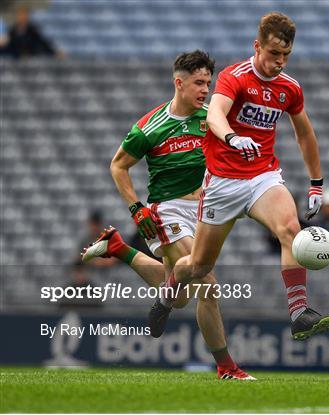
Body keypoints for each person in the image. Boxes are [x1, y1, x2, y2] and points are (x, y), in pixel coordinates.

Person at [149, 12, 329, 342]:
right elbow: (217, 113)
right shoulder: (235, 76)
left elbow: (305, 134)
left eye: (286, 56)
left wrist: (316, 183)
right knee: (199, 267)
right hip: (222, 182)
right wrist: (232, 137)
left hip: (262, 176)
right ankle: (166, 296)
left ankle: (299, 313)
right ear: (257, 46)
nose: (279, 62)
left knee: (291, 229)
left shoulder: (289, 89)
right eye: (273, 54)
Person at [82, 51, 253, 380]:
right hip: (166, 210)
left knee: (181, 296)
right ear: (179, 82)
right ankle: (226, 367)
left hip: (202, 211)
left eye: (209, 82)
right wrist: (136, 208)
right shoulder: (150, 127)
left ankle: (119, 249)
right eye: (199, 83)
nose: (206, 89)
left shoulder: (210, 119)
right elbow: (118, 166)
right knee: (207, 284)